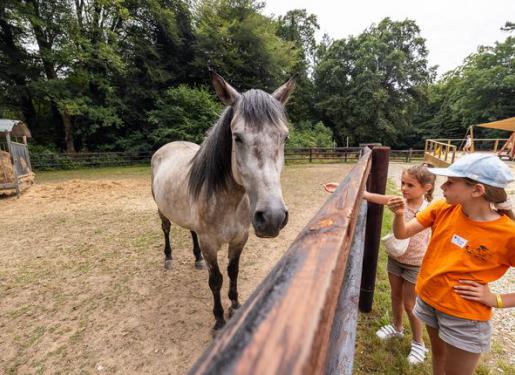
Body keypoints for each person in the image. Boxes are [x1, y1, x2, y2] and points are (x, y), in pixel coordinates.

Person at [387, 153, 515, 375]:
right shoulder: (443, 208)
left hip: (464, 318)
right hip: (429, 300)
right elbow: (403, 233)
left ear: (476, 190)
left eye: (451, 182)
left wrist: (496, 299)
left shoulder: (507, 234)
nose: (443, 186)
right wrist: (399, 215)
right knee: (439, 357)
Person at [325, 165, 436, 365]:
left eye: (410, 185)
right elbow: (370, 195)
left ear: (427, 187)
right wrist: (344, 187)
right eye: (402, 183)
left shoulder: (431, 210)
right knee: (395, 296)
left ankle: (419, 343)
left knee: (411, 304)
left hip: (416, 264)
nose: (403, 188)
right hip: (396, 258)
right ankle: (397, 327)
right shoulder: (399, 201)